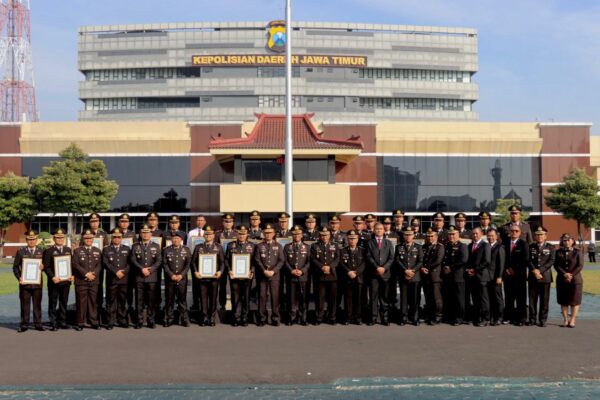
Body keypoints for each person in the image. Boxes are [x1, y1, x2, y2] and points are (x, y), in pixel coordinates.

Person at [191, 226, 224, 326]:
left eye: (210, 234)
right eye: (206, 234)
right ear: (204, 236)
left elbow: (222, 262)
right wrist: (196, 272)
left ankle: (212, 318)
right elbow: (193, 262)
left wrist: (220, 272)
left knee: (213, 298)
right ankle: (204, 317)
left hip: (214, 277)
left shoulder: (218, 247)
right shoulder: (198, 247)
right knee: (203, 298)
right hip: (202, 277)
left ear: (214, 235)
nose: (208, 236)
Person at [130, 224, 162, 329]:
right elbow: (133, 260)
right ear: (140, 234)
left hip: (151, 277)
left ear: (150, 234)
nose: (145, 234)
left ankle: (151, 320)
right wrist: (141, 269)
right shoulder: (135, 246)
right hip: (139, 276)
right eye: (143, 232)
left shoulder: (156, 246)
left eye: (147, 232)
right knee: (139, 300)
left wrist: (150, 269)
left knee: (151, 300)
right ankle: (139, 321)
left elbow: (159, 261)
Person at [13, 230, 44, 332]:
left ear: (36, 240)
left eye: (34, 239)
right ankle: (24, 324)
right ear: (27, 240)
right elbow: (15, 267)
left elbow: (47, 266)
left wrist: (43, 267)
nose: (32, 241)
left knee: (37, 305)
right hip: (25, 284)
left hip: (37, 284)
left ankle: (38, 324)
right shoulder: (20, 252)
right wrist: (19, 278)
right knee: (24, 305)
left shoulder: (42, 251)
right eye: (30, 239)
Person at [43, 228, 74, 331]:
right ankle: (53, 322)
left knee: (63, 302)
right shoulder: (49, 251)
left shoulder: (68, 250)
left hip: (66, 281)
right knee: (53, 302)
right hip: (54, 282)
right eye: (58, 237)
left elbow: (71, 265)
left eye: (62, 237)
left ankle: (62, 322)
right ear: (54, 238)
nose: (60, 239)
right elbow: (46, 267)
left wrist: (72, 275)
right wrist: (52, 277)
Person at [254, 223, 284, 326]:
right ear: (263, 233)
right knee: (262, 296)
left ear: (274, 233)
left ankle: (275, 318)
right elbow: (257, 260)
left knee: (275, 297)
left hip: (275, 276)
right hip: (262, 275)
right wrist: (264, 271)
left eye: (270, 233)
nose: (268, 235)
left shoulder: (278, 246)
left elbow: (281, 261)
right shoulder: (259, 246)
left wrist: (273, 271)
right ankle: (262, 318)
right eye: (266, 233)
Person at [72, 229, 103, 331]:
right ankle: (80, 323)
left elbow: (99, 265)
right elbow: (75, 264)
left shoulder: (97, 251)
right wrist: (86, 274)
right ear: (83, 239)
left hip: (94, 280)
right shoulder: (77, 251)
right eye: (86, 238)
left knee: (93, 302)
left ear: (93, 239)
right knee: (81, 302)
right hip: (81, 281)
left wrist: (93, 274)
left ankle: (94, 322)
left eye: (90, 238)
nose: (88, 239)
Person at [225, 225, 255, 327]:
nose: (241, 236)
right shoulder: (230, 245)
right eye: (239, 234)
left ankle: (245, 317)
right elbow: (226, 260)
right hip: (234, 277)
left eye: (243, 234)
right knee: (235, 297)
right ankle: (236, 317)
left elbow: (254, 261)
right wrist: (229, 271)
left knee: (246, 297)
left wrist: (252, 271)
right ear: (236, 234)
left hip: (247, 276)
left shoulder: (252, 246)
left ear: (247, 234)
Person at [365, 223, 394, 326]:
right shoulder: (370, 243)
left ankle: (384, 318)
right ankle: (373, 317)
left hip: (385, 274)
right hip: (374, 273)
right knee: (373, 296)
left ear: (384, 230)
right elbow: (368, 256)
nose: (379, 230)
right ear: (374, 230)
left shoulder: (389, 243)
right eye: (377, 229)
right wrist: (377, 267)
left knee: (384, 297)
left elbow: (391, 258)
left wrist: (384, 268)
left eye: (381, 229)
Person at [102, 228, 131, 329]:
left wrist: (123, 272)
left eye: (119, 237)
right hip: (112, 278)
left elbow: (130, 263)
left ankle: (122, 320)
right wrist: (116, 272)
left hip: (124, 279)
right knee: (110, 301)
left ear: (121, 238)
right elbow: (105, 263)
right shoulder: (106, 249)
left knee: (122, 300)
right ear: (112, 238)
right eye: (115, 237)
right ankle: (110, 321)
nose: (117, 239)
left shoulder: (127, 249)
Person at [311, 226, 340, 325]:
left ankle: (332, 317)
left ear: (329, 235)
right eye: (322, 235)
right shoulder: (315, 246)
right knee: (319, 298)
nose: (324, 237)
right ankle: (319, 318)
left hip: (332, 275)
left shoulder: (335, 245)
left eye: (326, 235)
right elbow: (313, 259)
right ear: (319, 236)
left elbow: (337, 258)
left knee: (332, 298)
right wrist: (322, 267)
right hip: (319, 275)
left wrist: (329, 267)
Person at [395, 227, 424, 325]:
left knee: (415, 298)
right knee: (404, 298)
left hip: (415, 276)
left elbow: (420, 261)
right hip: (403, 275)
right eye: (406, 234)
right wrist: (405, 271)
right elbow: (397, 260)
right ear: (403, 235)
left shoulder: (418, 247)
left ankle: (415, 317)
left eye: (410, 234)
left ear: (413, 235)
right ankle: (403, 317)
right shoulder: (398, 247)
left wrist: (413, 271)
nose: (408, 236)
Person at [528, 226, 555, 327]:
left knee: (544, 300)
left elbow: (551, 261)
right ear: (535, 236)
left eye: (541, 235)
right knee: (532, 300)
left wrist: (540, 270)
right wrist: (534, 270)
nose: (539, 236)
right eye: (537, 235)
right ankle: (532, 319)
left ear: (545, 236)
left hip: (545, 277)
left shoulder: (551, 247)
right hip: (532, 276)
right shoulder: (531, 246)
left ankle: (543, 319)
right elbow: (528, 260)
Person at [162, 231, 191, 327]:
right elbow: (165, 264)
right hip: (170, 279)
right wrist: (171, 275)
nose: (176, 240)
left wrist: (181, 275)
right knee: (169, 299)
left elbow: (188, 264)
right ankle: (168, 319)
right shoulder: (166, 250)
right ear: (171, 240)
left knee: (182, 300)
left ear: (181, 240)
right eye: (174, 238)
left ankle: (184, 319)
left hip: (182, 279)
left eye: (178, 238)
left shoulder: (186, 250)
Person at [503, 224, 530, 326]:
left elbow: (525, 260)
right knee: (509, 297)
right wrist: (507, 269)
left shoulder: (524, 244)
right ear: (509, 232)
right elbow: (503, 258)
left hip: (519, 275)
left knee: (520, 298)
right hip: (507, 275)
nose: (514, 233)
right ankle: (508, 317)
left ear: (520, 233)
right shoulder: (505, 243)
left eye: (516, 231)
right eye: (512, 231)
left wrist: (514, 269)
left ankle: (521, 319)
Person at [554, 234, 584, 328]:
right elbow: (556, 265)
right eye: (564, 240)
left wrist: (571, 275)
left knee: (575, 300)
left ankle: (573, 319)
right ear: (562, 242)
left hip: (575, 280)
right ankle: (565, 319)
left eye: (568, 240)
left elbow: (580, 265)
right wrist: (565, 274)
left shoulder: (578, 252)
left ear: (572, 241)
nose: (566, 242)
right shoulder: (558, 252)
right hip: (562, 279)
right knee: (563, 300)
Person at [283, 225, 311, 326]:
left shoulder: (307, 247)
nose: (296, 236)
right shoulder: (287, 247)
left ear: (302, 234)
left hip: (303, 277)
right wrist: (291, 271)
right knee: (291, 299)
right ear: (292, 235)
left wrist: (302, 271)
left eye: (298, 234)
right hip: (291, 276)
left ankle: (303, 318)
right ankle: (292, 318)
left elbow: (309, 262)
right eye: (294, 234)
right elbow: (285, 261)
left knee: (303, 298)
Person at [441, 226, 468, 325]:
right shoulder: (446, 246)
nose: (451, 236)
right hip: (448, 276)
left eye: (453, 234)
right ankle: (451, 316)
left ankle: (460, 317)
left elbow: (463, 260)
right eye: (450, 234)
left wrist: (450, 267)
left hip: (458, 276)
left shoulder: (462, 246)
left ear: (458, 235)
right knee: (450, 297)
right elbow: (444, 260)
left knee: (459, 298)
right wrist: (445, 267)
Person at [465, 228, 491, 326]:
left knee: (483, 299)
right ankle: (477, 317)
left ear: (481, 234)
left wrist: (475, 270)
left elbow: (486, 261)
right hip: (472, 276)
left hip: (481, 276)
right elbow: (468, 260)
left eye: (477, 233)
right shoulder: (470, 246)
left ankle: (486, 318)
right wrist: (468, 269)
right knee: (475, 298)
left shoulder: (485, 245)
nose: (475, 235)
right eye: (473, 233)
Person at [339, 230, 365, 325]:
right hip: (347, 278)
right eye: (350, 239)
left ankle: (358, 318)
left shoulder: (362, 251)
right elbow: (341, 263)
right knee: (348, 299)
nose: (352, 241)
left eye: (354, 239)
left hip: (359, 278)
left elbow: (364, 264)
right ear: (347, 239)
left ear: (357, 239)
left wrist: (356, 272)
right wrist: (348, 271)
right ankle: (348, 317)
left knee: (358, 299)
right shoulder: (343, 251)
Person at [421, 228, 445, 325]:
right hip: (425, 275)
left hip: (435, 275)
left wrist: (426, 267)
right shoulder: (424, 246)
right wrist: (422, 267)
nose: (430, 238)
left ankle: (438, 316)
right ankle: (430, 315)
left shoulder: (440, 247)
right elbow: (421, 259)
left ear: (436, 237)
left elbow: (438, 260)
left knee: (436, 298)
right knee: (428, 297)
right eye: (428, 236)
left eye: (432, 236)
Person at [187, 214, 207, 312]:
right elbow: (188, 246)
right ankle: (195, 303)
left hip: (206, 261)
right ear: (196, 222)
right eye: (198, 220)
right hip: (195, 260)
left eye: (201, 220)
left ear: (205, 222)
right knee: (195, 284)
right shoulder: (191, 233)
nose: (200, 222)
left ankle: (204, 304)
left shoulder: (207, 232)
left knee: (204, 284)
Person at [217, 213, 236, 310]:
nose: (228, 224)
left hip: (233, 263)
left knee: (234, 285)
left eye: (229, 222)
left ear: (232, 223)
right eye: (226, 222)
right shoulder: (218, 234)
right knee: (222, 285)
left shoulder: (237, 234)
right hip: (221, 263)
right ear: (223, 222)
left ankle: (234, 304)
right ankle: (222, 304)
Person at [486, 228, 505, 325]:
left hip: (496, 277)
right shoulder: (486, 246)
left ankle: (500, 317)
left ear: (496, 236)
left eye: (492, 235)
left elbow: (501, 264)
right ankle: (492, 317)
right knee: (490, 297)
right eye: (489, 236)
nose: (490, 238)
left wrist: (500, 276)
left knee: (498, 298)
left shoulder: (499, 247)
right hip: (487, 277)